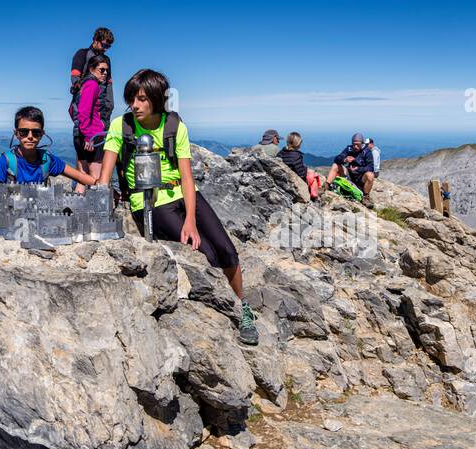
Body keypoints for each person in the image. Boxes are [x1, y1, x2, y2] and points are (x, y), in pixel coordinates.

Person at [83, 69, 259, 346]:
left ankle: (242, 307)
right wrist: (99, 205)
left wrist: (190, 219)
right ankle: (229, 312)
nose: (135, 105)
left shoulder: (174, 125)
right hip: (148, 200)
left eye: (142, 99)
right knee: (206, 253)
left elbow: (187, 177)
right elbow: (105, 173)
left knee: (227, 250)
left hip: (183, 193)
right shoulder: (122, 125)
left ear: (156, 99)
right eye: (132, 99)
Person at [0, 106, 101, 188]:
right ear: (16, 134)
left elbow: (79, 177)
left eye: (35, 132)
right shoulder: (5, 162)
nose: (30, 136)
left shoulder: (47, 159)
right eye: (24, 132)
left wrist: (101, 186)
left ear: (42, 134)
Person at [72, 54, 111, 180]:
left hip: (80, 135)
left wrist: (80, 129)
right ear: (91, 69)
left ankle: (79, 200)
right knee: (96, 178)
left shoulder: (82, 85)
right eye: (102, 70)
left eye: (107, 70)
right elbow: (83, 112)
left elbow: (72, 110)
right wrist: (89, 136)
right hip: (92, 136)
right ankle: (97, 201)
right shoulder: (92, 85)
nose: (105, 73)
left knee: (83, 178)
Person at [325, 133, 375, 208]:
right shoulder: (349, 149)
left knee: (370, 175)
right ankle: (326, 186)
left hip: (361, 177)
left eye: (358, 145)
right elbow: (337, 158)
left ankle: (365, 197)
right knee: (336, 165)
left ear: (362, 143)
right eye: (354, 144)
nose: (355, 146)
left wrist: (358, 169)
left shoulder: (367, 152)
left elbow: (370, 167)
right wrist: (344, 160)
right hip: (349, 175)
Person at [277, 132, 324, 200]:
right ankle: (314, 196)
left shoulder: (281, 152)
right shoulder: (296, 156)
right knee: (314, 175)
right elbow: (301, 174)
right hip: (295, 181)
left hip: (283, 179)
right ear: (298, 143)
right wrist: (307, 170)